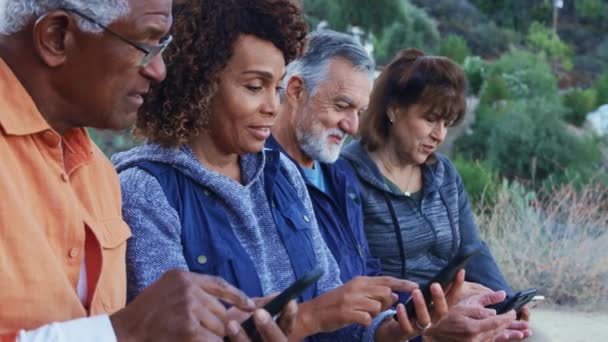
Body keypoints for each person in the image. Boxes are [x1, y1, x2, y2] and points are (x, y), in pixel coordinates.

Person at [113, 1, 441, 341]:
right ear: (198, 84)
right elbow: (172, 334)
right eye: (255, 87)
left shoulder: (280, 171)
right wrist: (311, 317)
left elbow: (331, 295)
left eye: (278, 88)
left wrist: (385, 329)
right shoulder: (145, 190)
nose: (272, 107)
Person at [0, 1, 293, 341]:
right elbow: (113, 331)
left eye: (163, 46)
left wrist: (213, 326)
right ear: (57, 37)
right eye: (146, 43)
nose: (159, 70)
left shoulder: (98, 173)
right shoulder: (140, 182)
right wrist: (126, 330)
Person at [271, 32, 531, 342]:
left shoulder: (339, 178)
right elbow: (322, 300)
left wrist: (502, 303)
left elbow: (365, 273)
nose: (352, 126)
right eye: (342, 105)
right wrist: (431, 322)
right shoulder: (338, 172)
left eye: (359, 112)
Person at [341, 49, 532, 337]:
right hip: (393, 327)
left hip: (451, 314)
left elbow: (473, 250)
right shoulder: (346, 175)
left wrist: (504, 302)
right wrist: (438, 310)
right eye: (430, 119)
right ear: (393, 109)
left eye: (447, 123)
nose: (439, 135)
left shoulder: (443, 174)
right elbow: (357, 276)